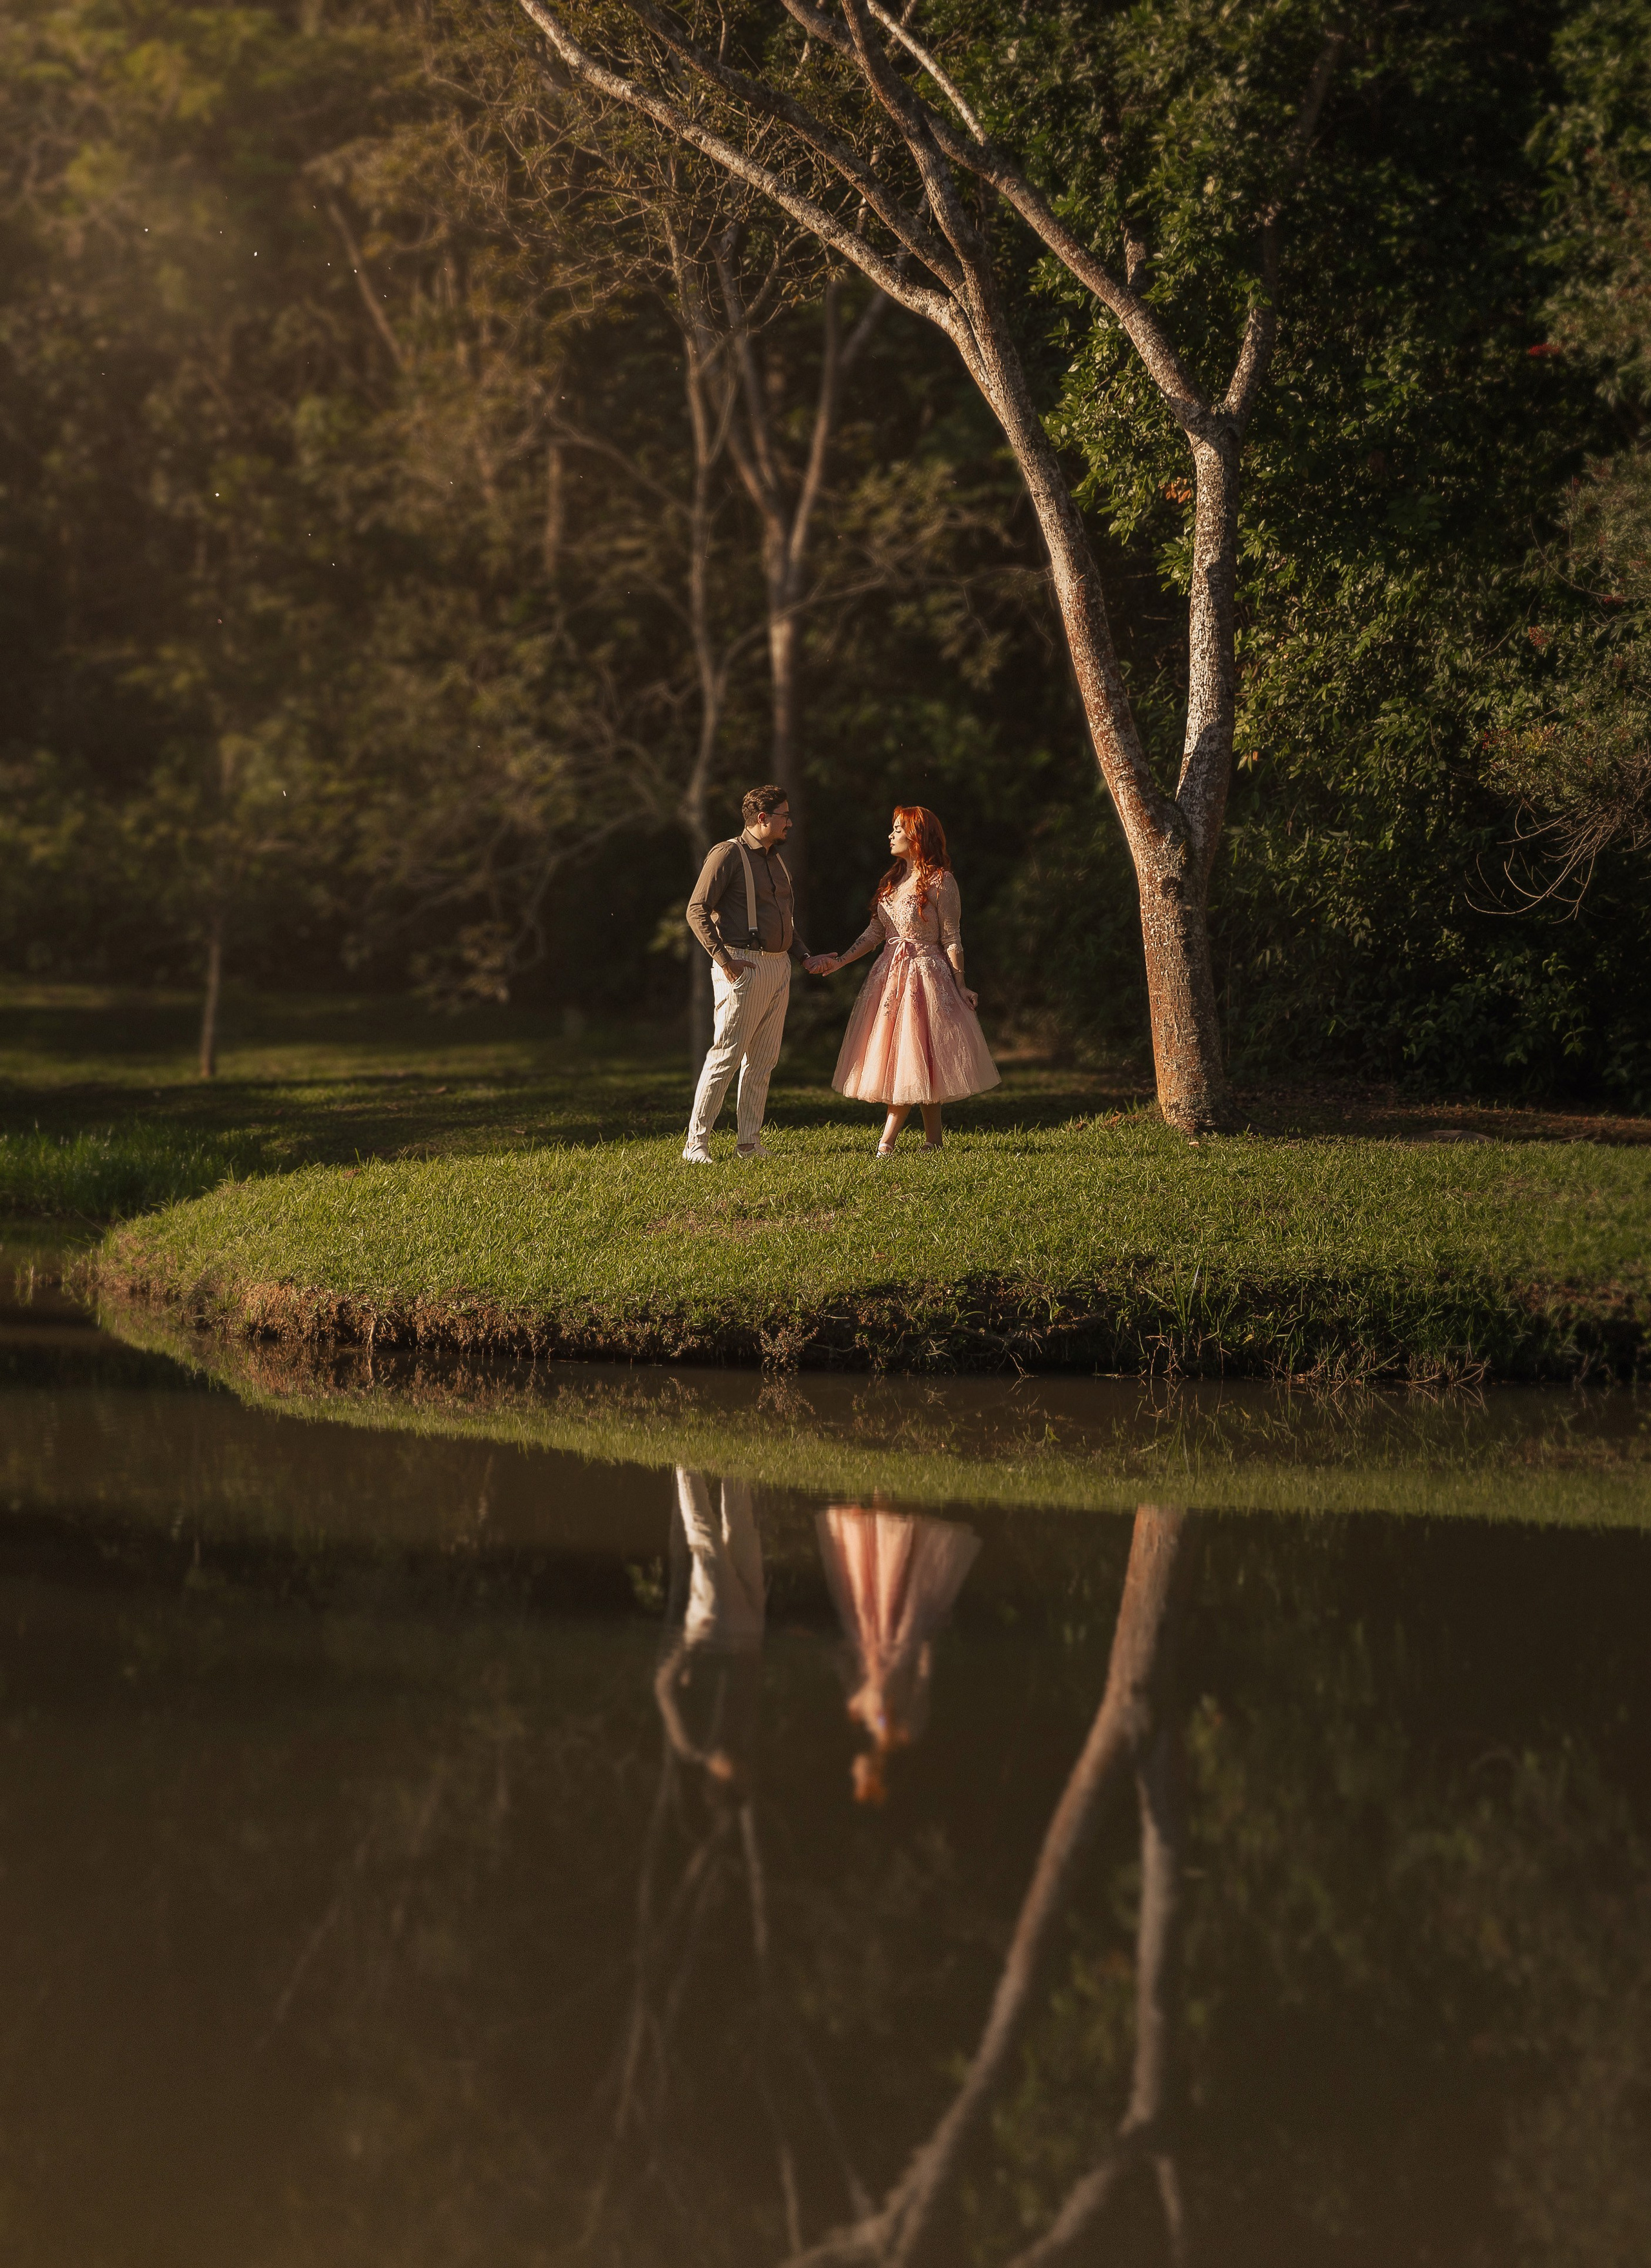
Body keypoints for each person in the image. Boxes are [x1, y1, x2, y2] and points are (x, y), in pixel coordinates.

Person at [805, 805, 1000, 1156]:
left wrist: (961, 984)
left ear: (917, 836)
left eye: (898, 829)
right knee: (915, 1057)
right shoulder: (891, 881)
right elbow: (875, 933)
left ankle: (887, 1143)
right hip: (890, 976)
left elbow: (952, 936)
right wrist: (839, 962)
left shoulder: (941, 881)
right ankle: (934, 1142)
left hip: (927, 973)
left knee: (916, 1053)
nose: (890, 835)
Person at [682, 785, 815, 1164]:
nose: (790, 822)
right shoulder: (728, 854)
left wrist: (804, 956)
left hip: (778, 965)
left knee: (763, 1059)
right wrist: (725, 961)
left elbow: (785, 920)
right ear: (763, 818)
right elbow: (697, 910)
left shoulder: (777, 860)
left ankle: (748, 1144)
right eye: (784, 816)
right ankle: (697, 1145)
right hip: (742, 962)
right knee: (726, 1055)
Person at [815, 1505, 982, 1805]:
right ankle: (894, 1520)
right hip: (897, 1645)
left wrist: (838, 1657)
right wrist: (925, 1650)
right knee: (894, 1592)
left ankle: (878, 1511)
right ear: (877, 1772)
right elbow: (921, 1683)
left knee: (868, 1595)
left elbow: (856, 1678)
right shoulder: (904, 1730)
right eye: (860, 1776)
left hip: (869, 1642)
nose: (854, 1770)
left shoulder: (870, 1724)